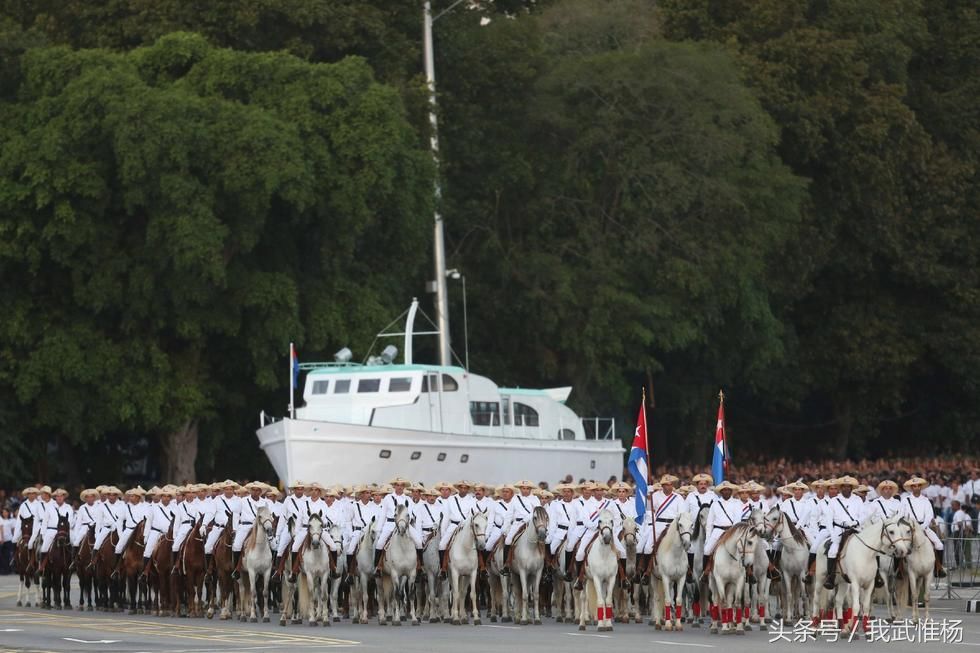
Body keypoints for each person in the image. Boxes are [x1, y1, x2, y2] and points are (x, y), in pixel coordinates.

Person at [373, 478, 423, 576]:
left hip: (405, 524)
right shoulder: (388, 498)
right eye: (398, 485)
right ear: (394, 486)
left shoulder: (408, 499)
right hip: (390, 523)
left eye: (401, 485)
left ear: (404, 487)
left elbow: (411, 514)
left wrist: (406, 521)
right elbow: (383, 515)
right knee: (380, 543)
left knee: (418, 542)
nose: (400, 487)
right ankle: (377, 567)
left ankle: (420, 567)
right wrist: (378, 530)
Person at [901, 476, 947, 578]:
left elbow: (929, 515)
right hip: (909, 527)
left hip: (924, 526)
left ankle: (938, 568)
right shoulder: (905, 500)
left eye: (918, 486)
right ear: (911, 488)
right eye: (914, 486)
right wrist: (909, 526)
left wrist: (923, 526)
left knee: (939, 545)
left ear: (921, 487)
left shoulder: (926, 500)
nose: (916, 488)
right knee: (900, 546)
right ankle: (899, 570)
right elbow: (902, 514)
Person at [141, 486, 176, 577]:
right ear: (161, 497)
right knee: (148, 551)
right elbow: (148, 523)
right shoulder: (154, 508)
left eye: (168, 496)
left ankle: (178, 569)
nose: (166, 498)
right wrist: (146, 536)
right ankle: (144, 573)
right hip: (156, 532)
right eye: (164, 496)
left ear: (170, 498)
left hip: (169, 534)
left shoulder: (175, 507)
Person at [38, 489, 74, 574]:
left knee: (74, 543)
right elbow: (45, 522)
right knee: (44, 548)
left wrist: (67, 530)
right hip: (51, 530)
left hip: (65, 531)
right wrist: (43, 534)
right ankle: (42, 567)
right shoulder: (50, 507)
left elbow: (71, 521)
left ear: (64, 497)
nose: (59, 498)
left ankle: (73, 564)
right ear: (55, 497)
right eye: (57, 496)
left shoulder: (68, 507)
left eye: (61, 496)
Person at [1, 508, 15, 574]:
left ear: (8, 513)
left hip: (9, 539)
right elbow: (1, 530)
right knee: (2, 556)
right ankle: (3, 570)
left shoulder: (10, 521)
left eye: (6, 512)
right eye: (3, 512)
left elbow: (13, 530)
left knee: (8, 556)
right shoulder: (1, 520)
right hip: (2, 540)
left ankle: (8, 570)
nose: (5, 513)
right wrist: (2, 538)